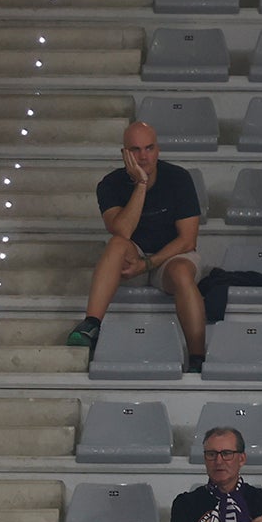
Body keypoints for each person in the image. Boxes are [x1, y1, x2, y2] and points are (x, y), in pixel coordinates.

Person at [66, 122, 206, 368]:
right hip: (133, 256)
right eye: (136, 150)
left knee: (182, 272)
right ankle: (91, 324)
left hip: (171, 256)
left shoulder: (178, 178)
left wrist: (150, 263)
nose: (143, 156)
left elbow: (187, 239)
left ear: (158, 150)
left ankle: (197, 358)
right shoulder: (110, 184)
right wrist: (140, 185)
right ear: (125, 154)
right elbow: (122, 230)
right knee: (117, 244)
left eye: (149, 148)